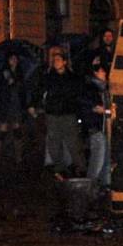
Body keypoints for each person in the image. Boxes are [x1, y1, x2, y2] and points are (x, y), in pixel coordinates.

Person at [42, 50, 84, 179]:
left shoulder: (72, 78)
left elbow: (76, 94)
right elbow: (42, 91)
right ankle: (60, 168)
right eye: (54, 60)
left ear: (65, 62)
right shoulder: (49, 77)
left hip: (68, 113)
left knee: (73, 143)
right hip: (53, 113)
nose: (56, 63)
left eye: (59, 60)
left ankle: (80, 167)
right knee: (54, 142)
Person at [0, 52, 30, 166]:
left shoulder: (20, 73)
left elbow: (23, 89)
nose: (14, 61)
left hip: (16, 104)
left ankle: (18, 156)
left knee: (17, 129)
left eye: (15, 58)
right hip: (5, 104)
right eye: (11, 59)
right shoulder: (3, 72)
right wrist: (7, 84)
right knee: (2, 129)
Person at [82, 59, 111, 193]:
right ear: (95, 73)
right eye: (101, 71)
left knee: (105, 160)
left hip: (105, 128)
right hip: (96, 128)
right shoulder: (90, 88)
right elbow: (94, 107)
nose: (104, 73)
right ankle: (90, 190)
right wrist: (106, 110)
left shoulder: (104, 88)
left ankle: (104, 187)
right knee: (97, 161)